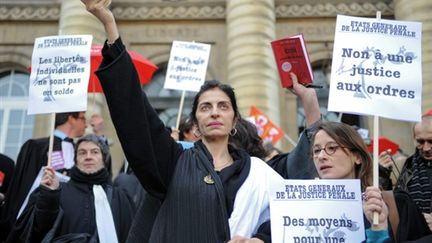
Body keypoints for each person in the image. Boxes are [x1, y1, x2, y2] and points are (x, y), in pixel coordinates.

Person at [82, 1, 284, 242]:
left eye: (223, 106)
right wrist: (108, 23)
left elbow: (293, 213)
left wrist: (260, 239)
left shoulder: (259, 172)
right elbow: (137, 113)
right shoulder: (173, 162)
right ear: (195, 123)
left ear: (235, 121)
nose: (215, 112)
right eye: (205, 107)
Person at [311, 121, 430, 242]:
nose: (321, 156)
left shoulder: (398, 205)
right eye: (316, 150)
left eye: (332, 148)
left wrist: (378, 231)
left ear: (357, 157)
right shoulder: (305, 213)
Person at [6, 134, 136, 243]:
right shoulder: (56, 189)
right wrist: (49, 196)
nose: (88, 156)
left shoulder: (120, 197)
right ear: (75, 159)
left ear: (104, 159)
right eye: (82, 152)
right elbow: (35, 231)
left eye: (95, 152)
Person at [0, 111, 86, 241]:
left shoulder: (82, 152)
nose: (86, 125)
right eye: (83, 119)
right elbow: (23, 188)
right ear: (71, 119)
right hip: (37, 220)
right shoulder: (36, 147)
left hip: (68, 222)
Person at [393, 111, 432, 231]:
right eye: (420, 142)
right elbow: (397, 203)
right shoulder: (408, 165)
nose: (426, 148)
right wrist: (382, 173)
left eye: (431, 141)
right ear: (414, 138)